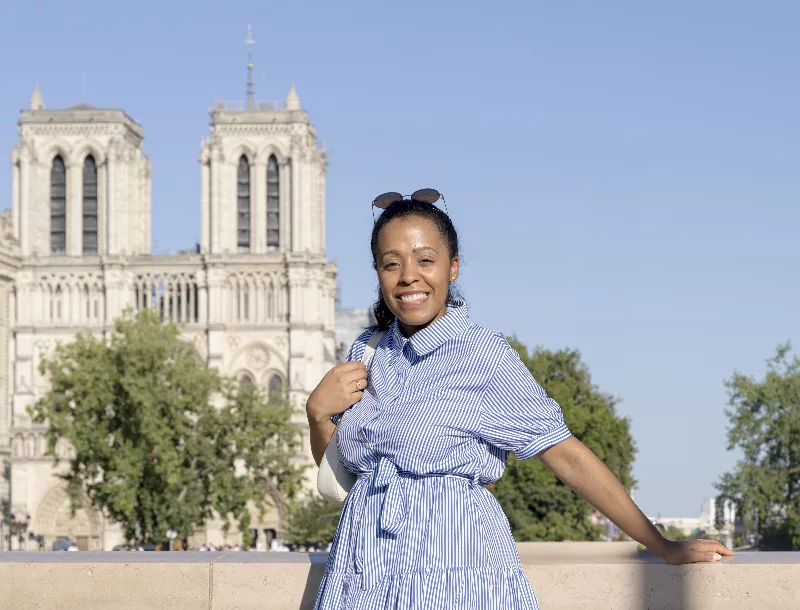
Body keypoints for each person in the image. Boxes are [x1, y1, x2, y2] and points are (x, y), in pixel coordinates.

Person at [307, 195, 732, 609]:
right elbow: (342, 476)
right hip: (361, 571)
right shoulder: (368, 351)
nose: (408, 276)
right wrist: (318, 413)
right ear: (378, 272)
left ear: (452, 267)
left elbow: (567, 456)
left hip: (451, 571)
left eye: (425, 260)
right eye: (392, 263)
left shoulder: (482, 354)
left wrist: (661, 545)